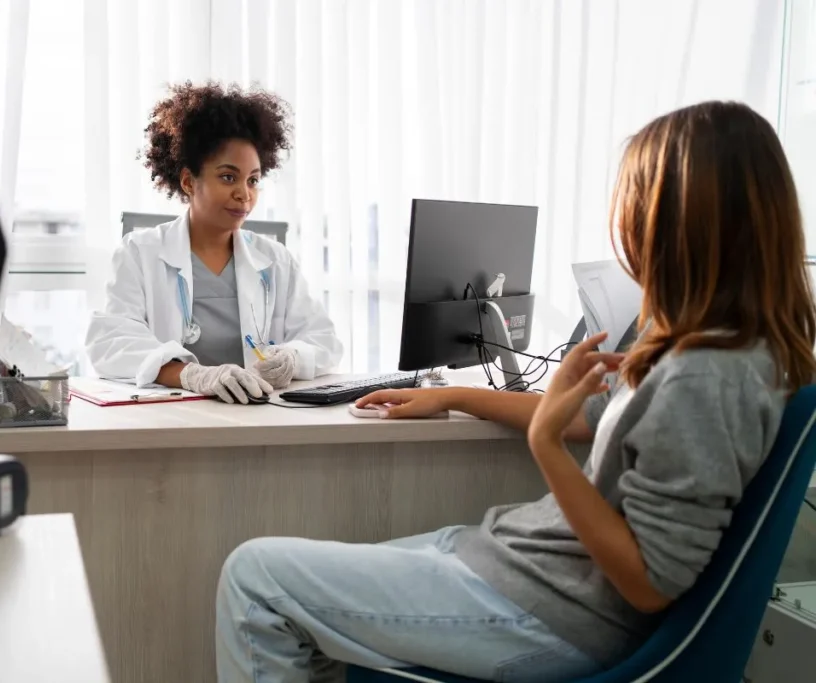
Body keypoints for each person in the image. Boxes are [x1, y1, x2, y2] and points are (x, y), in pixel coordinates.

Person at [215, 100, 816, 682]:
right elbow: (589, 414)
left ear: (681, 221)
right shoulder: (723, 344)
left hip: (555, 612)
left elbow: (649, 583)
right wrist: (452, 396)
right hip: (530, 571)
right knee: (312, 603)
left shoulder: (708, 375)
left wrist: (547, 445)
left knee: (256, 579)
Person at [86, 82, 343, 403]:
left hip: (258, 412)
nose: (244, 193)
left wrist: (293, 356)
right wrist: (192, 375)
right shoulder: (140, 252)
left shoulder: (274, 259)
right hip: (172, 416)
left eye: (253, 180)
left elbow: (324, 340)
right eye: (228, 177)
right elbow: (111, 342)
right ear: (188, 181)